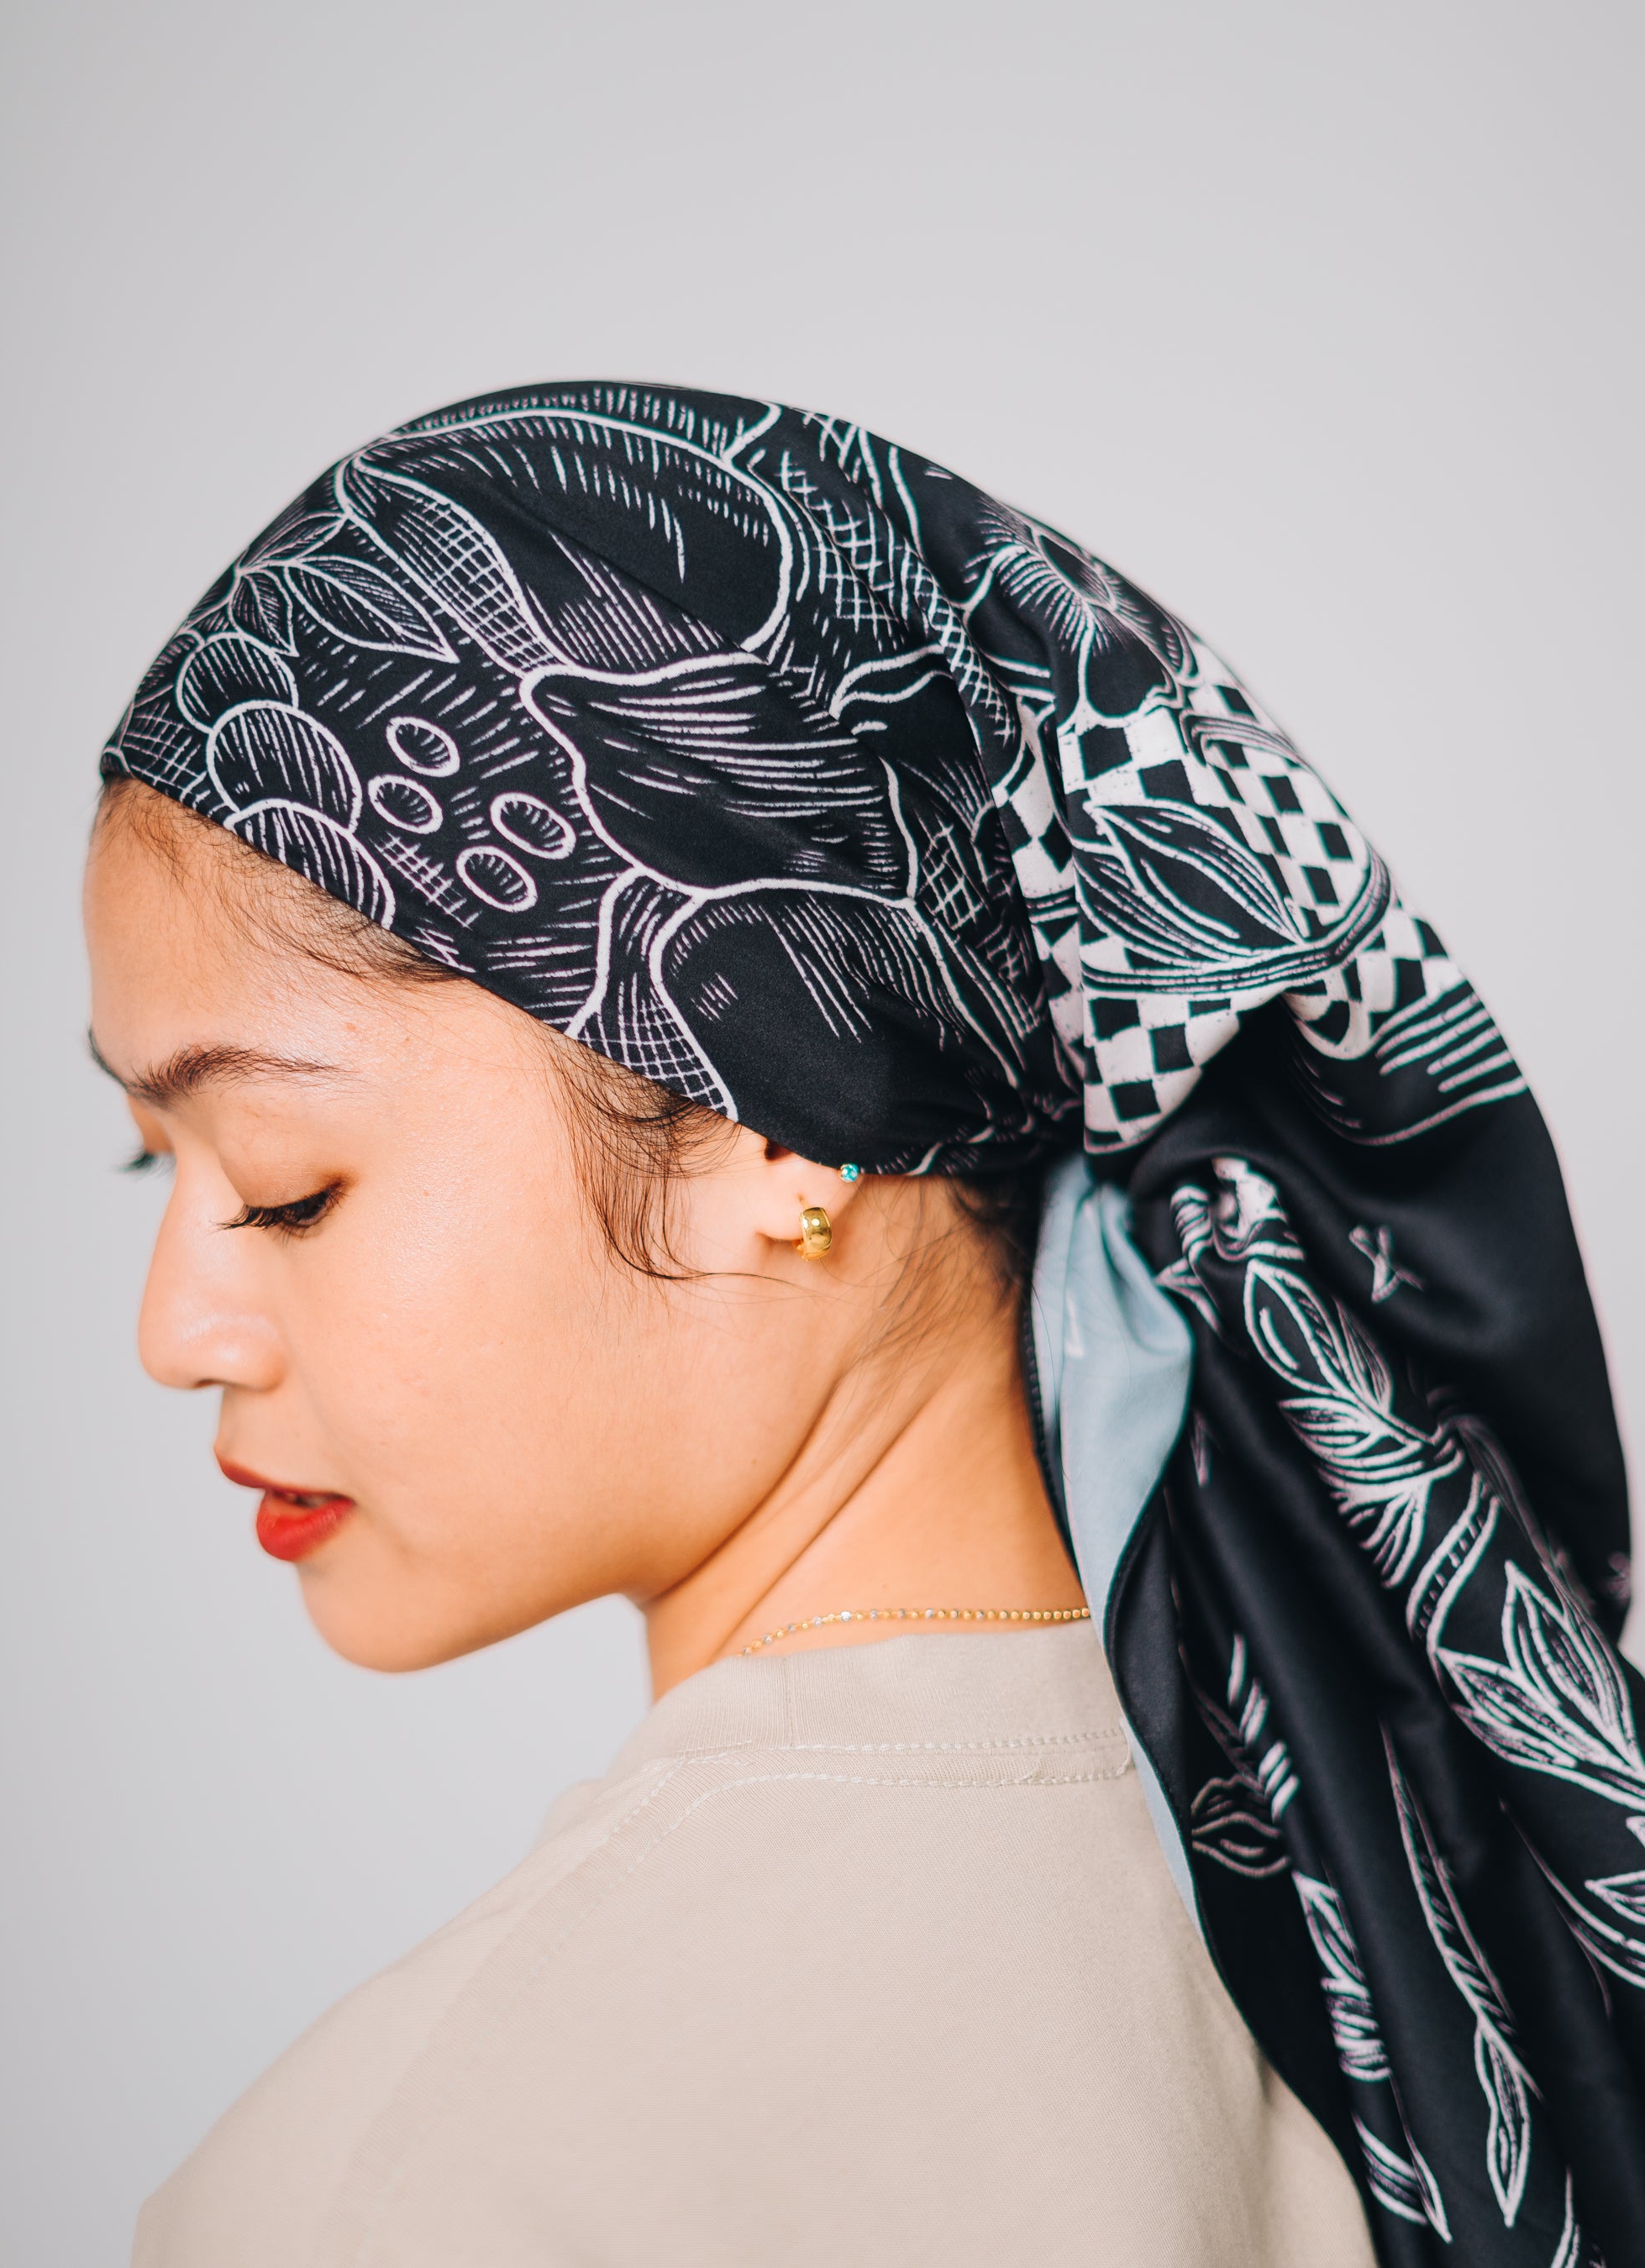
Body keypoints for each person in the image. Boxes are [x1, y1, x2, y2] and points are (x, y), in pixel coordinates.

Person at [87, 384, 1644, 2267]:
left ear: (773, 1121)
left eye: (282, 1183)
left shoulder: (412, 2188)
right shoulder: (1376, 1937)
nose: (176, 1328)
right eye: (151, 1161)